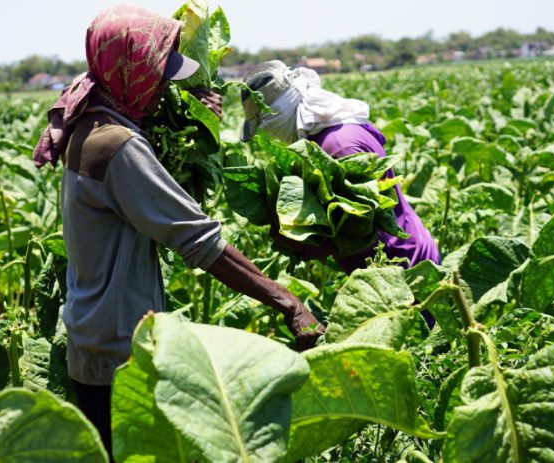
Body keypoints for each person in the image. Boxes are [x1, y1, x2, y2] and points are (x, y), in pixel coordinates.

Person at [33, 8, 323, 460]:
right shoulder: (118, 146)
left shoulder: (87, 121)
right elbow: (200, 241)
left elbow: (140, 199)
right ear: (128, 71)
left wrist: (196, 125)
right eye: (158, 75)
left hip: (94, 337)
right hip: (118, 351)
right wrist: (288, 301)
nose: (165, 86)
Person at [240, 60, 440, 274]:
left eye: (263, 124)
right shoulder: (331, 130)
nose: (268, 132)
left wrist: (298, 243)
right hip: (393, 261)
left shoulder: (337, 146)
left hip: (402, 268)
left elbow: (361, 229)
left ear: (278, 113)